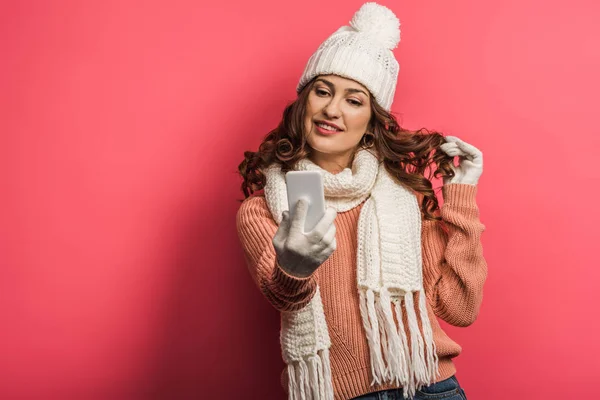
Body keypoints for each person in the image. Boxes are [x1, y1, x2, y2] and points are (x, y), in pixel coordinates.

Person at [235, 2, 487, 399]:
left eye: (354, 100)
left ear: (371, 120)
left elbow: (459, 308)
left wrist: (461, 197)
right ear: (304, 102)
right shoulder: (265, 207)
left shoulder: (403, 194)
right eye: (322, 91)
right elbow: (283, 295)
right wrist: (294, 268)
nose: (332, 110)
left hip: (428, 388)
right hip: (337, 391)